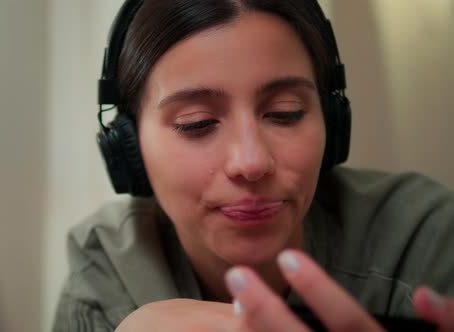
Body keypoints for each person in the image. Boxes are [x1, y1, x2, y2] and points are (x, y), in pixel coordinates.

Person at [54, 0, 454, 331]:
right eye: (197, 123)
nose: (251, 162)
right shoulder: (104, 273)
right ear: (129, 146)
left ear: (331, 120)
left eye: (286, 113)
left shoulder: (424, 238)